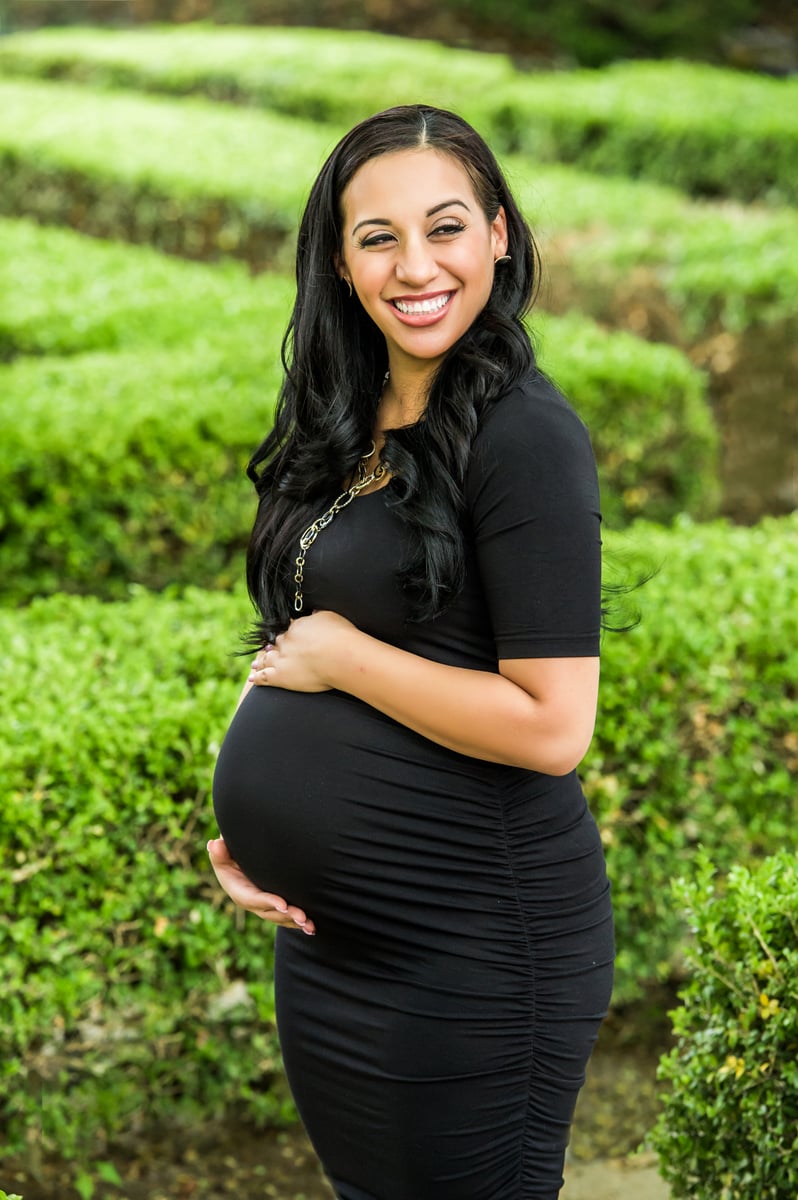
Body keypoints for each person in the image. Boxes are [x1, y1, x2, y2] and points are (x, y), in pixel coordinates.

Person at [208, 103, 614, 1200]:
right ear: (340, 263)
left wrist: (345, 664)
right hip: (333, 943)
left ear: (499, 235)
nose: (416, 266)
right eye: (378, 238)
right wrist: (251, 822)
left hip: (474, 950)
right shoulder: (347, 416)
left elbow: (555, 728)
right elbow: (302, 627)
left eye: (445, 228)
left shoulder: (526, 437)